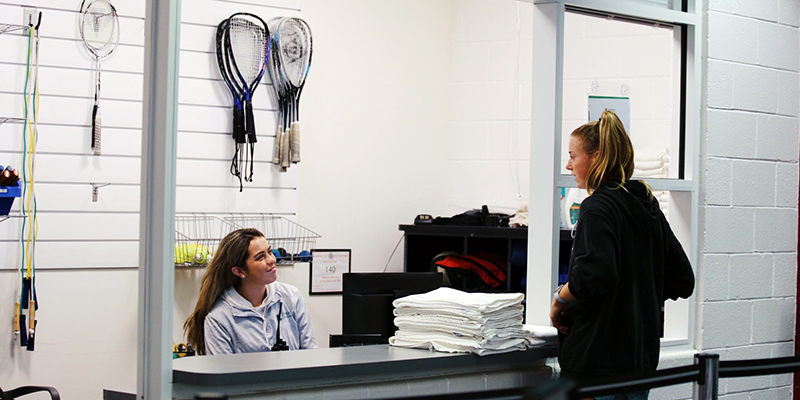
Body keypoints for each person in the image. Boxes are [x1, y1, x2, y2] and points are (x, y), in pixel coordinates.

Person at [549, 110, 695, 399]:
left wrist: (559, 299)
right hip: (638, 362)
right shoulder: (646, 203)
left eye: (573, 156)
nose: (568, 165)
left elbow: (594, 275)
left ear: (597, 156)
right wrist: (638, 296)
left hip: (595, 362)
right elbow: (683, 279)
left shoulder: (597, 207)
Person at [184, 228, 318, 355]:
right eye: (260, 257)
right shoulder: (219, 318)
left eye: (270, 252)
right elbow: (224, 376)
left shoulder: (291, 296)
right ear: (239, 271)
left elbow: (310, 353)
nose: (272, 260)